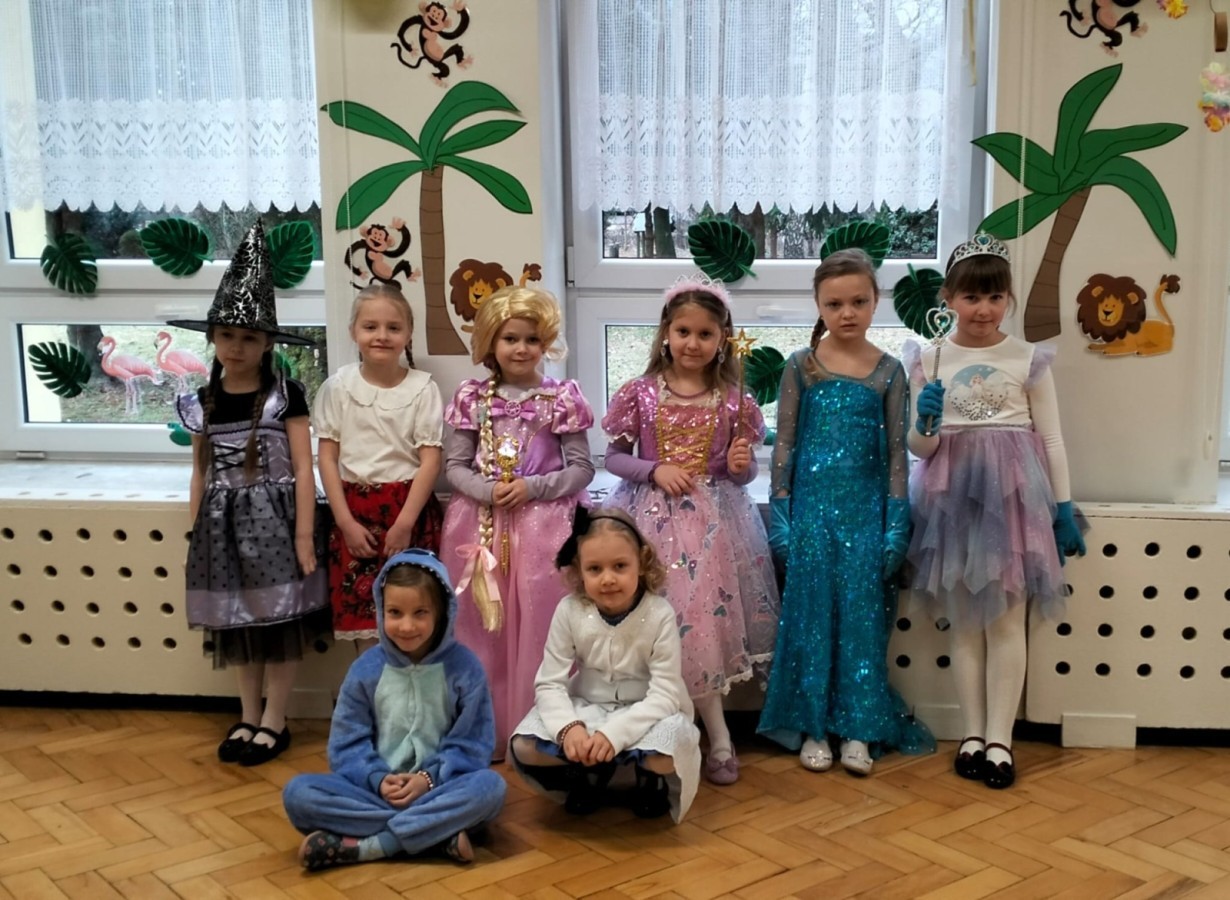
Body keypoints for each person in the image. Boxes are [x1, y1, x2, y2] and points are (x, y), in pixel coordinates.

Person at [905, 232, 1086, 789]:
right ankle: (972, 734)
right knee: (965, 621)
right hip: (953, 504)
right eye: (970, 297)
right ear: (948, 299)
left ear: (1008, 298)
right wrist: (927, 421)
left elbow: (1051, 440)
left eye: (994, 297)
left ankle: (1001, 740)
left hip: (1012, 503)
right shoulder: (930, 359)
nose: (983, 309)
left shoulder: (1027, 359)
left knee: (1006, 621)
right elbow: (919, 449)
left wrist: (1062, 508)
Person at [757, 249, 934, 777]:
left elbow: (897, 455)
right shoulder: (801, 366)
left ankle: (859, 727)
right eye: (834, 304)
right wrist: (782, 513)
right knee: (810, 620)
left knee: (862, 621)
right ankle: (813, 726)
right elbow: (785, 444)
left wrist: (895, 523)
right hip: (811, 515)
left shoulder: (889, 371)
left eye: (859, 301)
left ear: (876, 301)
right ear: (818, 304)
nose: (847, 313)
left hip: (866, 516)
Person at [601, 274, 779, 785]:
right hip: (648, 525)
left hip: (713, 530)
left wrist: (741, 465)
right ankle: (650, 730)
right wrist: (653, 469)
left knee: (698, 628)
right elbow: (613, 457)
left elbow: (741, 474)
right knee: (649, 626)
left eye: (705, 334)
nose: (693, 343)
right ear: (666, 333)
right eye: (683, 331)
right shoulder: (640, 394)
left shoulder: (734, 401)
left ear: (723, 339)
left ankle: (717, 735)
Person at [169, 220, 330, 766]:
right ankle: (246, 714)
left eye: (250, 338)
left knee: (280, 620)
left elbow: (304, 468)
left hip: (279, 525)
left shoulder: (286, 396)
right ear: (213, 339)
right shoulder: (201, 402)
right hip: (222, 529)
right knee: (237, 622)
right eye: (227, 336)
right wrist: (196, 533)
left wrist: (305, 536)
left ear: (267, 344)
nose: (236, 347)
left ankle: (275, 720)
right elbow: (200, 473)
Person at [439, 286, 595, 753]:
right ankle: (483, 731)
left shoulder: (561, 397)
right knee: (481, 626)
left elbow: (582, 469)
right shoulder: (471, 397)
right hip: (479, 528)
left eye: (532, 339)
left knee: (544, 624)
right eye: (510, 338)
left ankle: (542, 732)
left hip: (546, 530)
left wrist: (533, 488)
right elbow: (454, 467)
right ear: (491, 341)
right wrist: (488, 491)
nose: (521, 348)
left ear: (545, 343)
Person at [282, 549, 505, 870]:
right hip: (375, 793)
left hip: (439, 789)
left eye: (420, 613)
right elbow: (347, 745)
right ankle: (434, 834)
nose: (406, 625)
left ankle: (374, 845)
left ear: (442, 612)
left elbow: (472, 745)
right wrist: (377, 779)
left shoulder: (466, 668)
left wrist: (428, 779)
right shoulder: (365, 670)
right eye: (395, 612)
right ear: (381, 610)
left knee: (490, 789)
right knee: (298, 794)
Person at [509, 507, 701, 822]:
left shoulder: (659, 613)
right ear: (579, 571)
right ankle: (588, 770)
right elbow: (550, 682)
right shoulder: (569, 610)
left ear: (642, 562)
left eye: (620, 566)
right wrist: (569, 729)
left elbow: (665, 694)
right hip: (589, 705)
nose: (608, 579)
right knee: (524, 747)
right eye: (595, 569)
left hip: (648, 711)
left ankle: (648, 779)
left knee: (665, 756)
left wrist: (614, 735)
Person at [314, 284, 445, 643]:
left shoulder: (423, 389)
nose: (382, 336)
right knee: (362, 620)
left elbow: (430, 460)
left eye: (393, 327)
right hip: (353, 513)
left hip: (408, 511)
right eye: (370, 327)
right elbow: (327, 457)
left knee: (414, 612)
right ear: (353, 331)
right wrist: (345, 522)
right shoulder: (338, 388)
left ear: (408, 334)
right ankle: (368, 680)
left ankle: (412, 680)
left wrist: (405, 523)